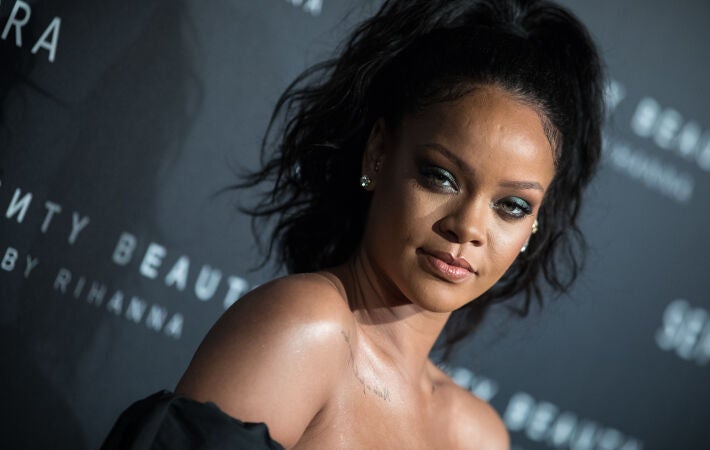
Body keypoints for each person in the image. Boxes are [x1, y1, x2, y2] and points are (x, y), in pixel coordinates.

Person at [102, 0, 604, 448]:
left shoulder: (479, 436)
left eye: (511, 206)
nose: (468, 227)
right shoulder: (304, 329)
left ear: (535, 223)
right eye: (441, 177)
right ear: (378, 153)